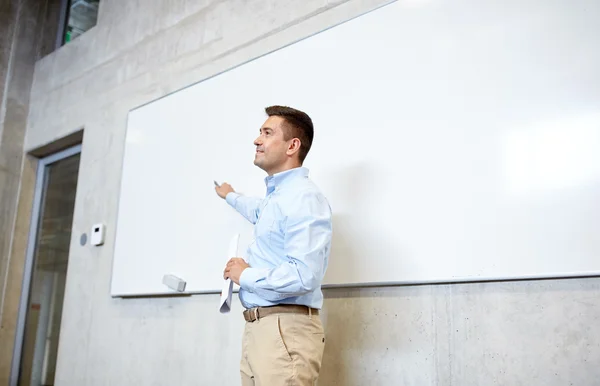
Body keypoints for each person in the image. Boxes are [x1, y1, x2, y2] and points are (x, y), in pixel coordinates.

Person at [215, 105, 332, 385]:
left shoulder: (303, 198)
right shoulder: (278, 198)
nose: (257, 140)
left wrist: (244, 275)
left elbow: (304, 275)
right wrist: (230, 196)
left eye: (267, 133)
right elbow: (258, 212)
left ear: (292, 145)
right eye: (259, 133)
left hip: (284, 330)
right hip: (262, 328)